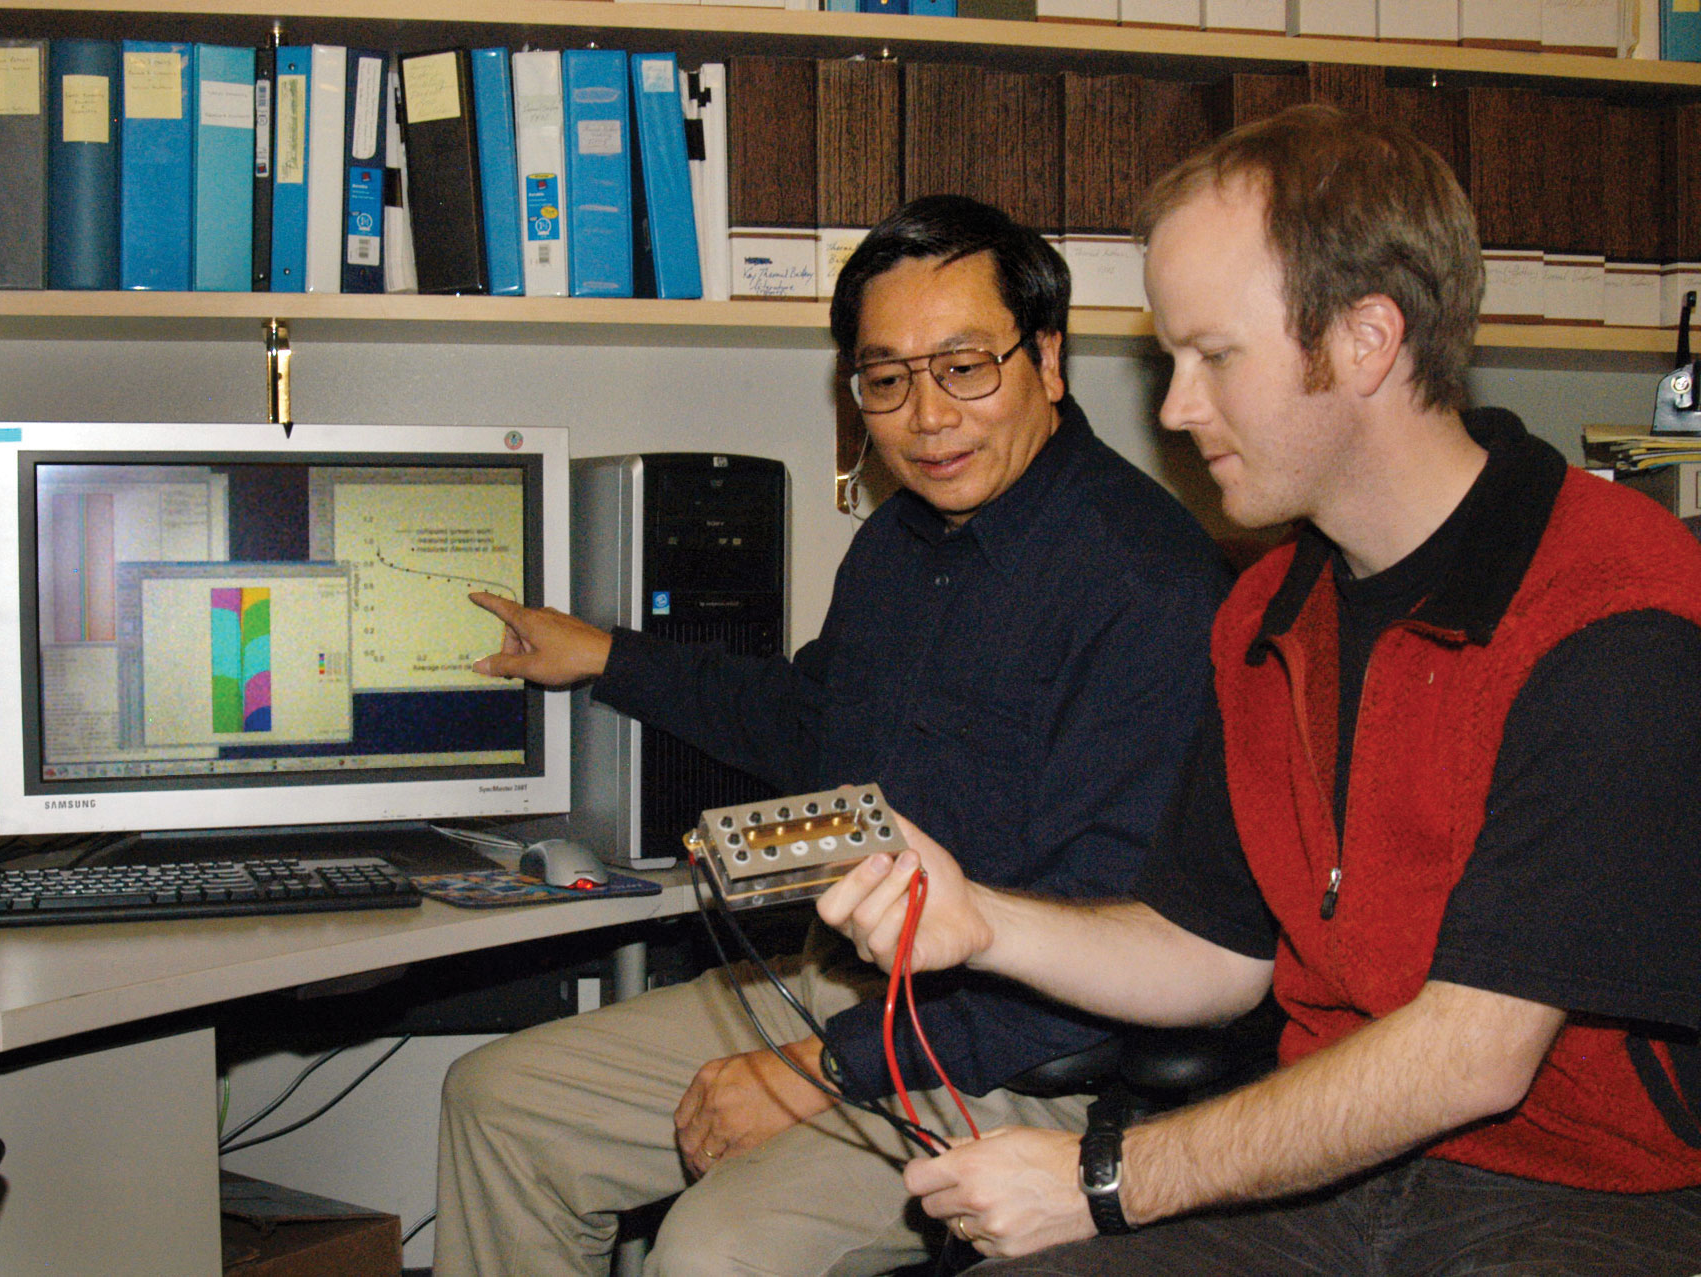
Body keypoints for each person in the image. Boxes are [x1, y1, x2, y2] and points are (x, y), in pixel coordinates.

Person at [818, 104, 1701, 1275]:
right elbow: (1213, 951)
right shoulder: (1268, 612)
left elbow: (1473, 1052)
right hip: (1330, 1175)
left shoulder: (1616, 613)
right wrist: (984, 918)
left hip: (1592, 1200)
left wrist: (1105, 1175)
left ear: (1367, 339)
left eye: (1213, 357)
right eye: (1170, 361)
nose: (1175, 408)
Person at [431, 194, 1231, 1277]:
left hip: (1015, 1054)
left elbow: (1103, 946)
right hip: (850, 989)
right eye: (886, 378)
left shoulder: (1143, 584)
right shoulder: (906, 539)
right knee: (498, 1104)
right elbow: (812, 717)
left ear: (1047, 358)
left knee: (712, 1250)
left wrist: (823, 1068)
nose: (927, 416)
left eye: (965, 365)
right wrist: (605, 655)